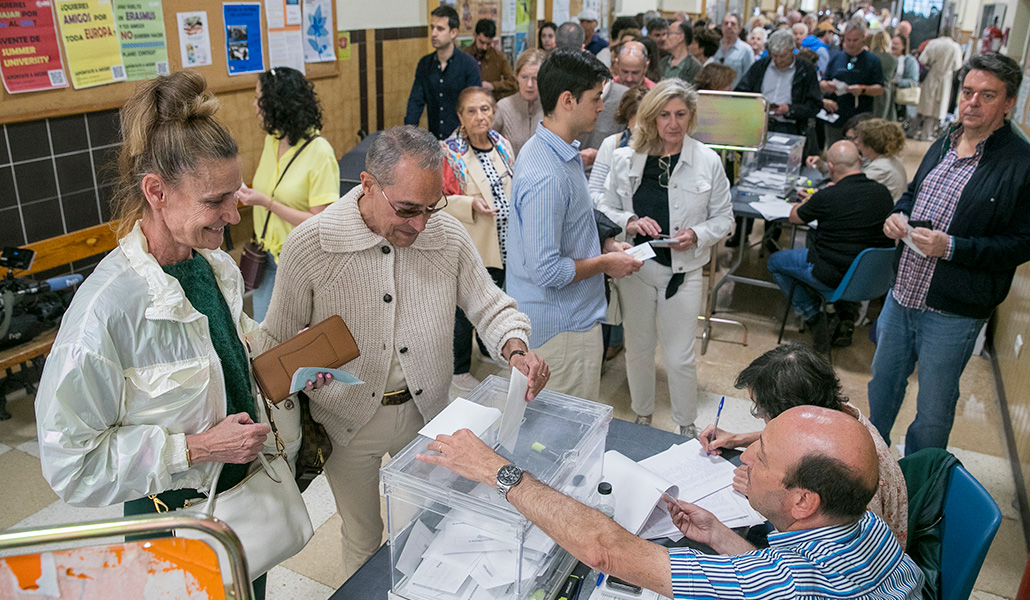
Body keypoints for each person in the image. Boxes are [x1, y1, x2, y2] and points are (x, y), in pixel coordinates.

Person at [34, 72, 332, 599]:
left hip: (247, 510)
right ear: (156, 191)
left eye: (234, 196)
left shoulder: (215, 268)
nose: (234, 215)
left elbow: (229, 358)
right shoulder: (107, 312)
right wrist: (193, 448)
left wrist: (291, 363)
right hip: (175, 523)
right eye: (216, 201)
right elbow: (71, 463)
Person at [262, 125, 550, 578]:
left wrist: (516, 349)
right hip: (344, 423)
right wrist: (299, 374)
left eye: (431, 208)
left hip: (427, 415)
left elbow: (490, 305)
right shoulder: (312, 245)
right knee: (362, 535)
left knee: (427, 529)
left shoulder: (446, 236)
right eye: (407, 209)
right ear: (368, 185)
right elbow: (273, 345)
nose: (419, 224)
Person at [416, 405, 924, 599]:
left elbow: (606, 552)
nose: (741, 458)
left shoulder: (774, 587)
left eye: (759, 456)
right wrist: (722, 538)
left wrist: (493, 469)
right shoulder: (868, 529)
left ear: (803, 501)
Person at [869, 55, 1030, 454]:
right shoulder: (945, 140)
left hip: (953, 311)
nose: (972, 103)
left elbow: (1022, 243)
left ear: (1008, 103)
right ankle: (871, 473)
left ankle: (920, 494)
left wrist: (952, 247)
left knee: (934, 409)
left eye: (987, 95)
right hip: (902, 294)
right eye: (968, 92)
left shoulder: (1021, 163)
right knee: (881, 389)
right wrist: (897, 215)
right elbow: (913, 194)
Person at [599, 79, 733, 436]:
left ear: (691, 117)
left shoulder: (707, 161)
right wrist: (628, 220)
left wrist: (697, 235)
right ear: (650, 118)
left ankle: (686, 425)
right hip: (638, 269)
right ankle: (642, 417)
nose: (673, 123)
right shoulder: (626, 158)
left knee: (679, 356)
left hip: (684, 272)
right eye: (664, 115)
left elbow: (725, 218)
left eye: (680, 114)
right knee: (640, 349)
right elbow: (602, 204)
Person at [506, 48, 642, 400]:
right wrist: (606, 264)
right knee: (562, 441)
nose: (601, 106)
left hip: (569, 322)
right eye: (596, 98)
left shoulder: (557, 151)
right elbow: (547, 270)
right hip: (561, 333)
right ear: (568, 100)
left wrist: (605, 245)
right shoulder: (546, 175)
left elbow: (571, 228)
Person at [700, 343, 909, 548]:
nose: (747, 456)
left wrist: (761, 491)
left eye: (761, 412)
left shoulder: (848, 476)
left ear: (792, 413)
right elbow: (800, 437)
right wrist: (738, 438)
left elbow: (822, 550)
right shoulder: (839, 416)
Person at [767, 141, 894, 351]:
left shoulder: (827, 196)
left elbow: (794, 216)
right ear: (860, 161)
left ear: (831, 167)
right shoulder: (882, 193)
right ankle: (843, 314)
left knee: (775, 261)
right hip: (872, 278)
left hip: (832, 275)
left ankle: (814, 318)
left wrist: (812, 199)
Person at [236, 67, 340, 321]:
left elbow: (321, 222)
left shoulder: (320, 152)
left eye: (259, 98)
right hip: (267, 258)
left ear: (277, 104)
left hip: (301, 266)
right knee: (264, 336)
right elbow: (268, 188)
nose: (254, 104)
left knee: (297, 341)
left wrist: (267, 203)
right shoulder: (272, 140)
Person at [441, 87, 517, 391]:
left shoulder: (502, 144)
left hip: (503, 244)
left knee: (494, 300)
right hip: (471, 245)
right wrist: (469, 204)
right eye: (471, 111)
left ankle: (487, 348)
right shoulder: (450, 152)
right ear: (460, 116)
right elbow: (438, 200)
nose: (480, 116)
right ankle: (459, 368)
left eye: (485, 109)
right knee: (464, 310)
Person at [405, 5, 482, 140]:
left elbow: (475, 105)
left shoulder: (468, 64)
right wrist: (408, 136)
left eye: (440, 29)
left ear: (453, 33)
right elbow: (415, 103)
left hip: (463, 141)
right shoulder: (425, 64)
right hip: (435, 141)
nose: (434, 33)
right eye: (432, 28)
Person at [735, 29, 823, 137]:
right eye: (775, 56)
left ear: (792, 51)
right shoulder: (760, 66)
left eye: (783, 56)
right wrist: (756, 105)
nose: (778, 60)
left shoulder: (806, 70)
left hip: (791, 127)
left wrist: (789, 109)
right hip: (759, 123)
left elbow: (815, 105)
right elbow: (741, 92)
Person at [820, 18, 884, 145]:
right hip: (835, 116)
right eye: (848, 40)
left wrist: (862, 89)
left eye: (855, 40)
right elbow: (822, 83)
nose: (851, 44)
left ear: (863, 38)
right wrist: (827, 86)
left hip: (859, 119)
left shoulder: (873, 61)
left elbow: (880, 89)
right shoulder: (836, 58)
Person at [587, 87, 646, 206]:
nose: (642, 131)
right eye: (636, 125)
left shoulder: (662, 147)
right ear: (627, 120)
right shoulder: (612, 144)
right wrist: (616, 205)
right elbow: (593, 193)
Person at [493, 49, 547, 156]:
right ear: (516, 76)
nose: (529, 84)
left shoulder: (552, 108)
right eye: (524, 77)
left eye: (535, 78)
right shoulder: (503, 107)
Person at [915, 32, 963, 141]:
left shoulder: (933, 44)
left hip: (932, 76)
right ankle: (931, 132)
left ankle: (921, 132)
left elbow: (923, 59)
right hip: (946, 79)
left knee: (926, 105)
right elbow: (957, 66)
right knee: (939, 106)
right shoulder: (955, 47)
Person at [853, 118, 908, 201]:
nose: (856, 143)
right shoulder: (890, 160)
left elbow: (853, 190)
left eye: (860, 141)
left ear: (869, 147)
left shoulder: (880, 169)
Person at [467, 19, 517, 100]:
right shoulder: (464, 56)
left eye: (488, 44)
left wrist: (493, 86)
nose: (485, 47)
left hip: (491, 104)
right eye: (481, 42)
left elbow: (513, 84)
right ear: (475, 35)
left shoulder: (499, 57)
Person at [712, 12, 754, 87]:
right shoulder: (715, 46)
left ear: (739, 29)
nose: (729, 26)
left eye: (733, 24)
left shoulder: (746, 50)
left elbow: (749, 77)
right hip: (714, 93)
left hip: (734, 95)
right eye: (726, 23)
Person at [868, 30, 897, 119]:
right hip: (885, 93)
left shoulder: (868, 57)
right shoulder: (893, 59)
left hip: (868, 91)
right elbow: (892, 76)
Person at [891, 33, 919, 124]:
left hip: (900, 99)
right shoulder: (889, 58)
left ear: (903, 46)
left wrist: (898, 82)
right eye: (892, 43)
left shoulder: (909, 61)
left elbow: (913, 81)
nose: (893, 46)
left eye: (896, 44)